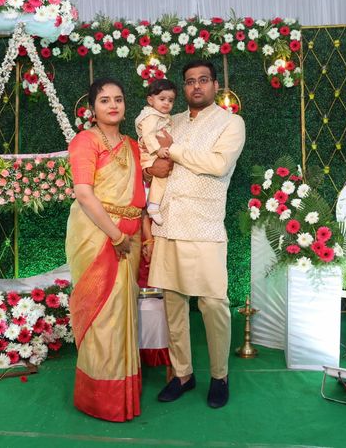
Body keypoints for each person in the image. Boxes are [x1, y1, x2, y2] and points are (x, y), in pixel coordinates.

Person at [147, 59, 246, 409]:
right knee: (173, 303)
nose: (196, 87)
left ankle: (219, 376)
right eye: (190, 82)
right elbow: (151, 157)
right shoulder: (170, 121)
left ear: (215, 85)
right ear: (183, 88)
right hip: (168, 224)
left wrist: (172, 150)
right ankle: (183, 374)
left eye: (203, 80)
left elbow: (218, 165)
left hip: (204, 225)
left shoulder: (231, 123)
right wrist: (151, 166)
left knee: (213, 304)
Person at [66, 78, 146, 422]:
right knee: (103, 314)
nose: (112, 105)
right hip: (99, 234)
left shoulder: (132, 144)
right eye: (104, 100)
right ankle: (101, 397)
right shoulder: (85, 140)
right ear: (92, 109)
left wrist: (144, 235)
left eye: (118, 99)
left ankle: (124, 389)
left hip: (131, 233)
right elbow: (84, 194)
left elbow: (141, 194)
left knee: (125, 312)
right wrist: (115, 236)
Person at [134, 79, 177, 225]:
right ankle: (153, 206)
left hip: (157, 151)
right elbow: (148, 135)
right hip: (150, 154)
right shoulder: (151, 116)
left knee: (165, 174)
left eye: (170, 100)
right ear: (150, 100)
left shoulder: (161, 116)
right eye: (162, 99)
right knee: (161, 175)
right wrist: (158, 150)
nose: (166, 103)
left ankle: (153, 204)